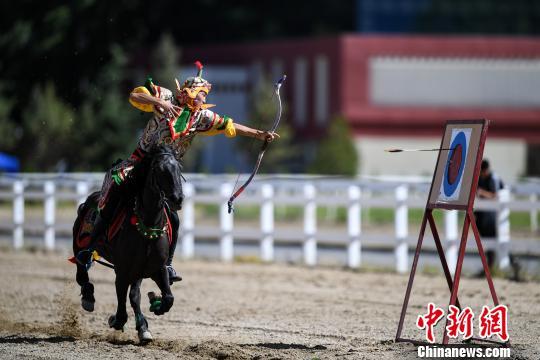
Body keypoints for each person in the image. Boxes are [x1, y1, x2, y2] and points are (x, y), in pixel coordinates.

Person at [86, 61, 279, 283]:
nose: (204, 100)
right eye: (201, 95)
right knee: (115, 190)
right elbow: (135, 96)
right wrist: (157, 101)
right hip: (141, 162)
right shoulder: (165, 98)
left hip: (166, 172)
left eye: (205, 96)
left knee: (173, 219)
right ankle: (91, 246)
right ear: (189, 93)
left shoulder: (201, 117)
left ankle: (167, 264)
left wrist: (260, 134)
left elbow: (230, 124)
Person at [474, 159, 504, 273]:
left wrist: (482, 193)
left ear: (484, 170)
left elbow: (495, 195)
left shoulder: (492, 179)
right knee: (485, 241)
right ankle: (488, 267)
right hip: (481, 214)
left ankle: (490, 267)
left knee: (492, 239)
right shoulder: (480, 178)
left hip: (490, 215)